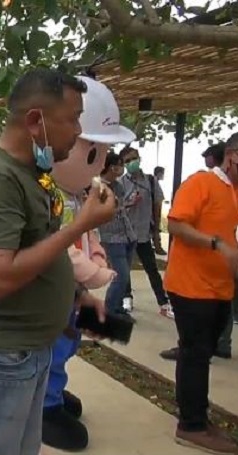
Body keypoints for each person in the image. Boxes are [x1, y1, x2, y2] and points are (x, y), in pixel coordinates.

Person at [0, 68, 115, 455]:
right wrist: (82, 225)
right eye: (72, 118)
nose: (77, 130)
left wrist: (74, 297)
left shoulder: (32, 175)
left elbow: (41, 249)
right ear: (35, 121)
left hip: (26, 349)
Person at [43, 75, 134, 452]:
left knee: (68, 345)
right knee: (51, 347)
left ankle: (54, 393)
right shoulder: (46, 193)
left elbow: (88, 237)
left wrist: (98, 258)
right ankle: (44, 407)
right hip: (48, 295)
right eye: (92, 153)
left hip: (70, 292)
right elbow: (60, 245)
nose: (99, 165)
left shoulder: (77, 195)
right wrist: (96, 273)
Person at [161, 132, 238, 453]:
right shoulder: (200, 183)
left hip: (220, 288)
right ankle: (190, 425)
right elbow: (176, 225)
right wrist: (215, 244)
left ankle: (198, 415)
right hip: (191, 287)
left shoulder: (233, 190)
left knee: (202, 354)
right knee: (194, 354)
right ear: (233, 156)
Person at [119, 146, 171, 317]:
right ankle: (127, 298)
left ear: (139, 158)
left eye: (133, 159)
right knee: (124, 269)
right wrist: (129, 203)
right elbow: (115, 208)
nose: (131, 163)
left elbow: (157, 204)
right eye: (127, 161)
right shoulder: (120, 183)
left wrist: (156, 230)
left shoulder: (150, 180)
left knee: (152, 268)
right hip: (125, 234)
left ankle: (163, 302)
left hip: (143, 234)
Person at [99, 152, 137, 317]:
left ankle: (117, 307)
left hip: (128, 235)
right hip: (112, 237)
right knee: (120, 276)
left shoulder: (118, 186)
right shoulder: (98, 187)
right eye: (120, 164)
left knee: (124, 276)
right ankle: (110, 310)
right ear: (111, 166)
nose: (122, 168)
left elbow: (120, 209)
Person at [152, 166, 167, 255]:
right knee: (155, 230)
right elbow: (158, 200)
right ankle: (158, 247)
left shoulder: (154, 182)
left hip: (155, 211)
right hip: (155, 212)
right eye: (163, 173)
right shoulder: (154, 183)